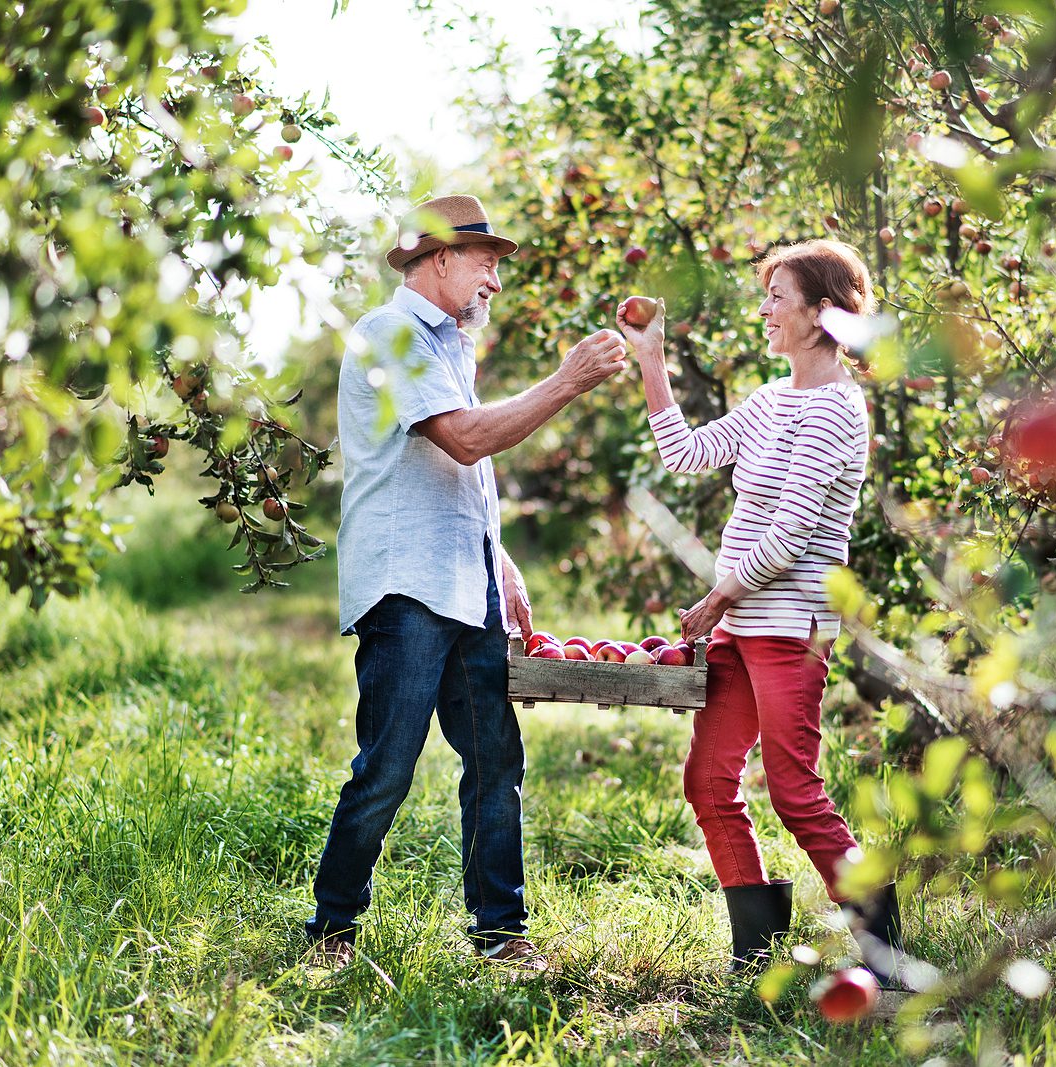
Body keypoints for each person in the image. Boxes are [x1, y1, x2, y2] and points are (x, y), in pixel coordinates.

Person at [306, 194, 628, 971]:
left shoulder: (451, 345)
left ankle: (500, 932)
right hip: (409, 583)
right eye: (487, 262)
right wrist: (567, 381)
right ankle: (331, 932)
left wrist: (502, 558)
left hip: (466, 578)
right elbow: (461, 439)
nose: (495, 279)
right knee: (388, 763)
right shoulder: (392, 334)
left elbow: (466, 476)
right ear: (441, 259)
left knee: (495, 760)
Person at [616, 239, 905, 982]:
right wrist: (651, 360)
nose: (766, 309)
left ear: (822, 314)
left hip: (792, 623)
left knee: (793, 786)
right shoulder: (772, 399)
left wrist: (718, 594)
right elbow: (684, 453)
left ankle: (884, 949)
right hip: (743, 622)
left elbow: (792, 530)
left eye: (779, 295)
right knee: (709, 779)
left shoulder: (839, 409)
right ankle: (757, 952)